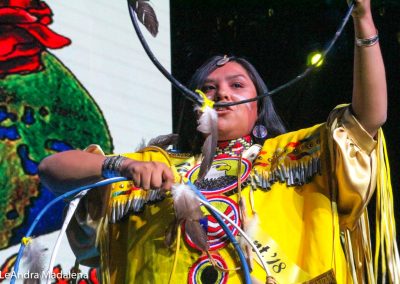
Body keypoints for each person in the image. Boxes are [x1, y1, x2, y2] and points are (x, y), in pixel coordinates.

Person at [39, 0, 397, 283]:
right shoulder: (156, 162)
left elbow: (368, 119)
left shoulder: (292, 155)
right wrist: (123, 165)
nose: (221, 94)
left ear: (259, 104)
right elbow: (52, 169)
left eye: (236, 85)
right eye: (207, 89)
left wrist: (363, 20)